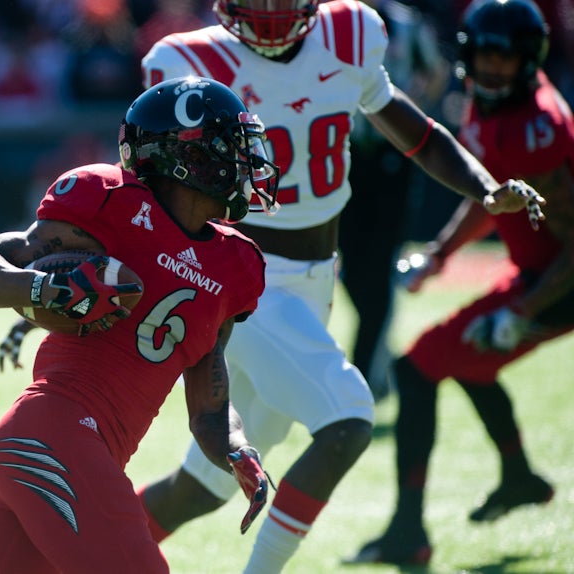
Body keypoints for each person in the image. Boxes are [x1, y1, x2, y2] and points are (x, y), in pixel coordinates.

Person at [132, 2, 546, 573]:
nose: (272, 10)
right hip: (244, 281)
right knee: (349, 417)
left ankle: (70, 554)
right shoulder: (185, 59)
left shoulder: (350, 30)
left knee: (203, 487)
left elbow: (414, 132)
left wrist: (485, 188)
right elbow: (146, 187)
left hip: (312, 280)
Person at [0, 76, 279, 573]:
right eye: (232, 148)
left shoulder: (238, 265)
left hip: (76, 451)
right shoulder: (106, 202)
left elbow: (209, 406)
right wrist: (44, 290)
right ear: (190, 157)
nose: (248, 163)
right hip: (51, 436)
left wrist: (237, 450)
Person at [350, 0, 574, 565]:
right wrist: (440, 254)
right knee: (463, 357)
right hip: (535, 275)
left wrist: (524, 309)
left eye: (506, 58)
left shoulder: (539, 124)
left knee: (415, 366)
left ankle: (408, 533)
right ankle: (520, 476)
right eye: (485, 56)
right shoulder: (487, 102)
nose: (494, 69)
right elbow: (491, 195)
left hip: (556, 283)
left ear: (529, 59)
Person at [341, 0, 450, 399]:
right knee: (354, 270)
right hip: (345, 157)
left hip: (393, 157)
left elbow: (437, 71)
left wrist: (411, 113)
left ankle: (366, 373)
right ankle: (376, 356)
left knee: (383, 261)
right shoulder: (330, 23)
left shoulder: (406, 23)